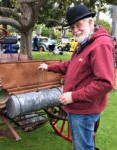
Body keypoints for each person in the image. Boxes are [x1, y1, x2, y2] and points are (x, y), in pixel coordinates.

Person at [39, 4, 114, 150]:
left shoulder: (100, 45)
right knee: (82, 144)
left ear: (91, 22)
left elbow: (105, 83)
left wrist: (73, 96)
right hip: (78, 109)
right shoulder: (85, 43)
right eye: (72, 27)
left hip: (84, 110)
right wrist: (49, 67)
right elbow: (71, 65)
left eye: (78, 25)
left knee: (83, 147)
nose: (75, 30)